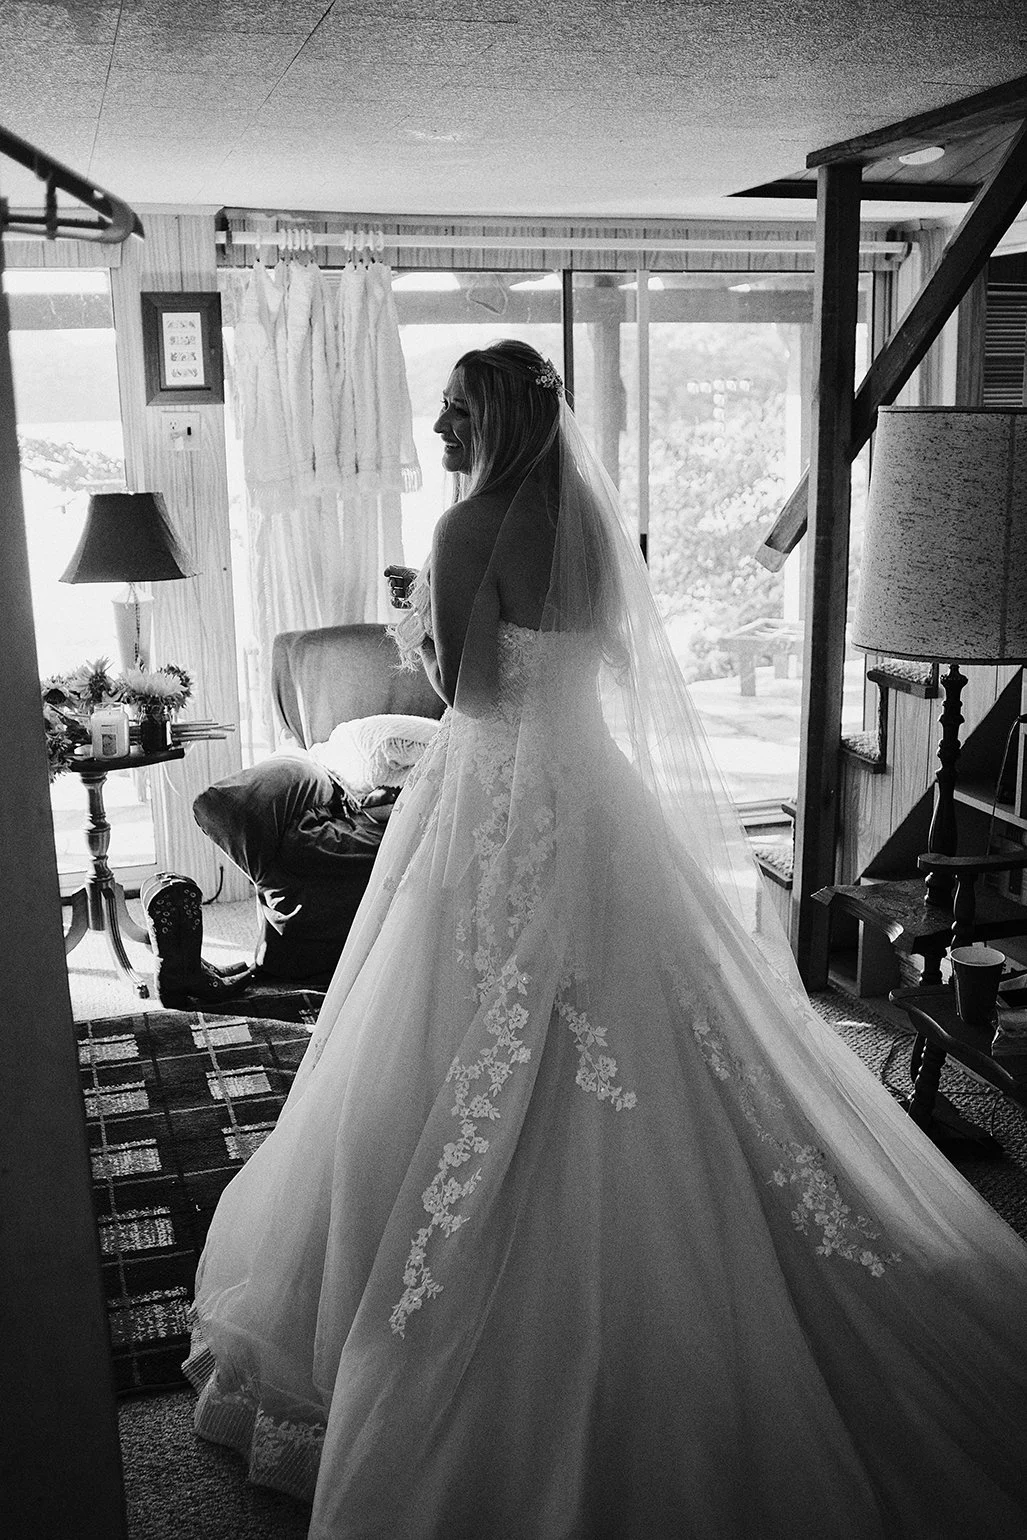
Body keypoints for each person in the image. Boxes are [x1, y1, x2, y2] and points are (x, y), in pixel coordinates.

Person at [187, 340, 1027, 1539]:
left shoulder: (465, 526)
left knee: (442, 1019)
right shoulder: (585, 521)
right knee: (670, 1014)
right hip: (592, 794)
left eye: (450, 413)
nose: (436, 432)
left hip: (494, 799)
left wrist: (422, 632)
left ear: (493, 424)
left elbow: (471, 697)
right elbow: (609, 662)